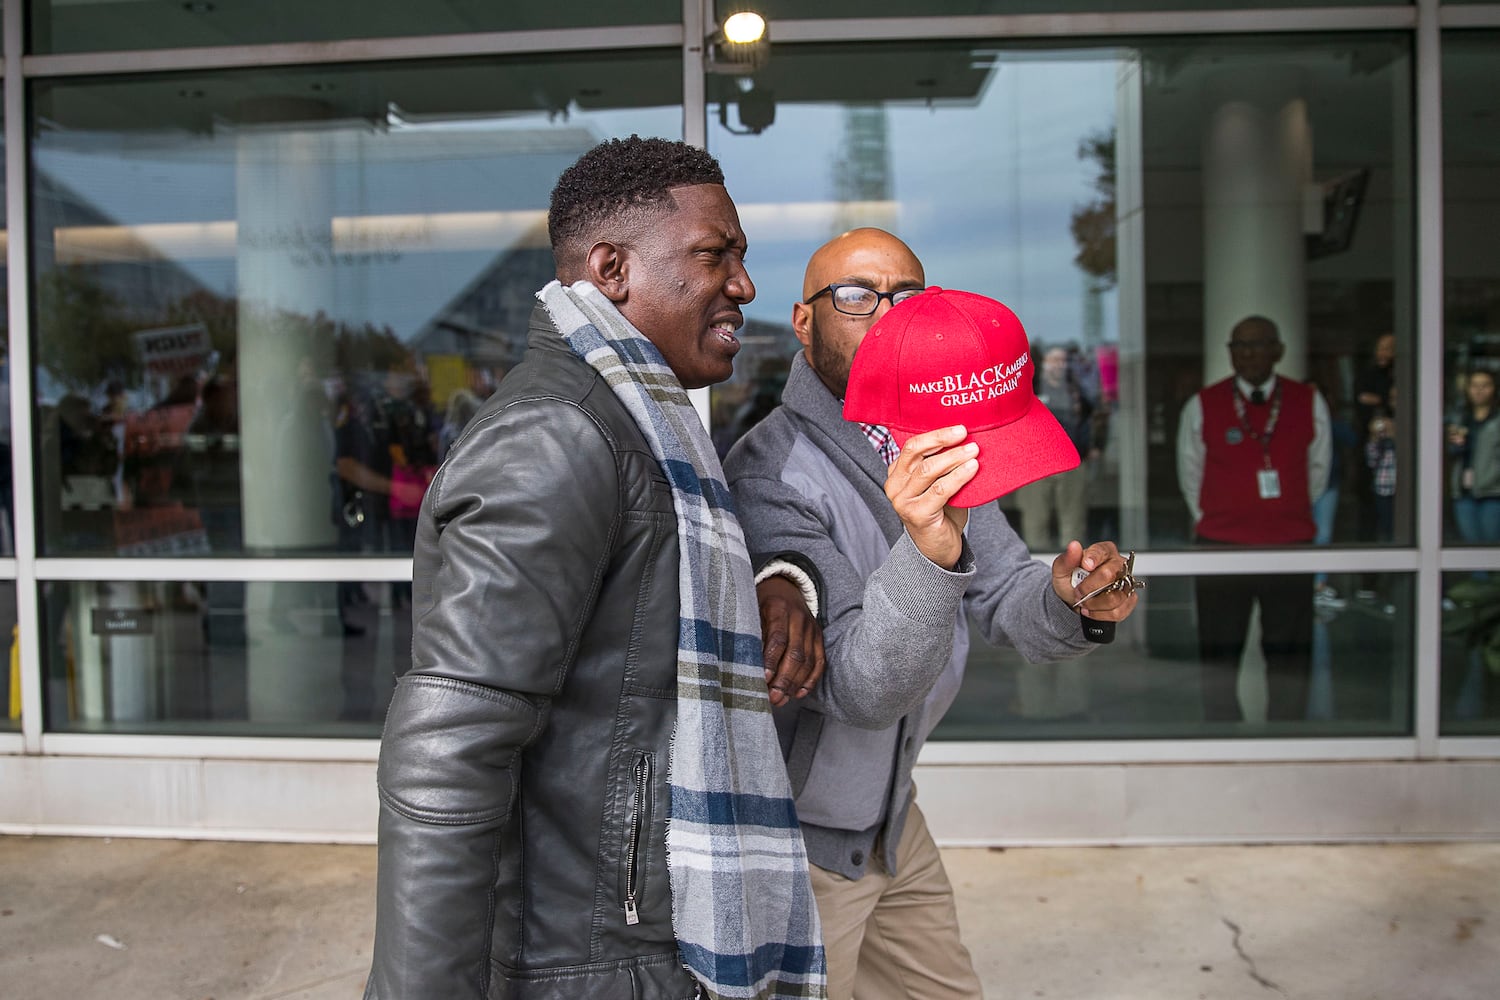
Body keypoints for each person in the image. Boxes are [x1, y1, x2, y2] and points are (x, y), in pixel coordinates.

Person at [364, 136, 829, 1000]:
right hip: (584, 963)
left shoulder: (641, 428)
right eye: (714, 255)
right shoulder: (560, 437)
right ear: (610, 269)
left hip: (636, 942)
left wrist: (778, 581)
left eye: (743, 258)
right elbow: (448, 749)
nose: (744, 286)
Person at [722, 227, 1140, 1000]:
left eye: (907, 296)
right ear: (804, 322)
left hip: (892, 819)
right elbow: (859, 689)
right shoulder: (767, 474)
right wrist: (928, 547)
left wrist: (1070, 599)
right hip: (801, 842)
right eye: (855, 296)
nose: (887, 315)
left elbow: (1007, 591)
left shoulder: (932, 439)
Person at [1177, 315, 1331, 723]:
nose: (1249, 353)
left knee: (1290, 653)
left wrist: (1280, 514)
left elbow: (1318, 471)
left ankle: (1287, 735)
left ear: (1278, 351)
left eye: (1259, 344)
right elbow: (1190, 475)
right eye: (1240, 345)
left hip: (1290, 546)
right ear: (1230, 353)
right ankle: (1221, 736)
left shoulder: (1308, 401)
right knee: (1218, 652)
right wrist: (1225, 518)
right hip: (1220, 546)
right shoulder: (1202, 404)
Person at [1447, 368, 1500, 546]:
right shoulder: (1460, 417)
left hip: (1493, 492)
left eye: (1485, 385)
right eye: (1475, 385)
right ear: (1467, 389)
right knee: (1470, 546)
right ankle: (1478, 575)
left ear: (1494, 389)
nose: (1479, 390)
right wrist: (1455, 444)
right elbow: (1449, 452)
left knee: (1489, 548)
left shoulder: (1497, 420)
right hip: (1463, 492)